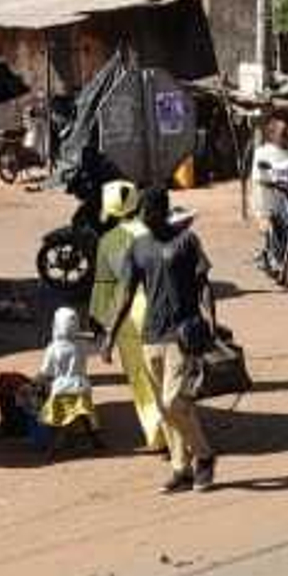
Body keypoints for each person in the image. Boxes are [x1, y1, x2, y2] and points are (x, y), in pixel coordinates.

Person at [103, 184, 218, 493]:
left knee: (173, 400)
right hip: (151, 336)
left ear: (160, 210)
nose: (141, 216)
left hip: (182, 335)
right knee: (165, 410)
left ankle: (204, 455)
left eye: (146, 211)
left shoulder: (186, 241)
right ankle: (181, 469)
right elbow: (126, 293)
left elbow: (204, 285)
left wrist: (212, 325)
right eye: (140, 211)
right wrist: (110, 334)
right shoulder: (138, 247)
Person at [0, 305, 101, 450]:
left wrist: (32, 384)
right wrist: (94, 331)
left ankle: (55, 447)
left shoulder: (53, 348)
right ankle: (95, 440)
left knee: (59, 421)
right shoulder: (81, 344)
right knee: (84, 414)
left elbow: (45, 373)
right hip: (82, 387)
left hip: (61, 389)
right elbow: (95, 341)